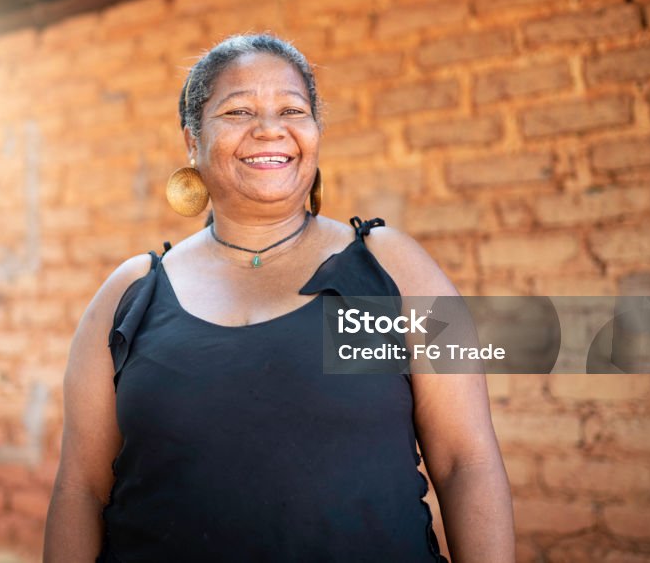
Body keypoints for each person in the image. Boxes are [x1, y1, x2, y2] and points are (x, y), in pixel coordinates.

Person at [44, 34, 514, 562]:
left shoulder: (393, 269)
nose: (271, 128)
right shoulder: (132, 296)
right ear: (192, 142)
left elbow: (464, 462)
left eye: (293, 109)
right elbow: (81, 490)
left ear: (314, 133)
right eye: (239, 110)